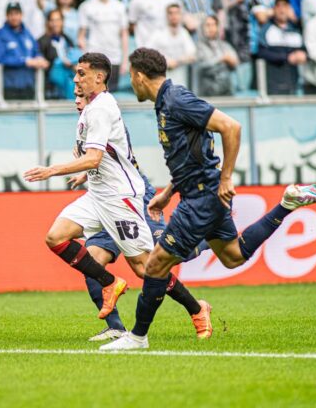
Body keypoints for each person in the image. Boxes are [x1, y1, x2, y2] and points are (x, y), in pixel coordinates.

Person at [99, 48, 316, 351]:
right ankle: (286, 204)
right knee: (233, 256)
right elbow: (190, 156)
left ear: (140, 76)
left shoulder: (177, 100)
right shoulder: (166, 102)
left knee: (155, 265)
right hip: (202, 194)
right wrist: (168, 193)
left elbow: (231, 127)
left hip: (202, 198)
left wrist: (226, 178)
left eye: (131, 76)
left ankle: (137, 337)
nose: (131, 82)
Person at [23, 52, 209, 334]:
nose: (75, 79)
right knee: (56, 237)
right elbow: (107, 155)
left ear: (99, 77)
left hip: (120, 198)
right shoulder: (91, 109)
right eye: (76, 74)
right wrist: (85, 174)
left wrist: (51, 170)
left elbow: (94, 158)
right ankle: (110, 284)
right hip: (98, 195)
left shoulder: (100, 109)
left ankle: (196, 309)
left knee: (145, 268)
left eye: (81, 73)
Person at [68, 88, 212, 342]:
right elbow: (100, 162)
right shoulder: (85, 126)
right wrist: (85, 174)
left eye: (82, 96)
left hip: (132, 197)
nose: (77, 101)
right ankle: (116, 327)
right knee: (92, 262)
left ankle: (203, 257)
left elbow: (113, 159)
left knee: (154, 263)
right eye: (75, 96)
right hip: (104, 200)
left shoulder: (104, 116)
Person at [78, 0, 128, 91]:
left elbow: (124, 35)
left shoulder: (119, 7)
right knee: (93, 93)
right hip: (94, 58)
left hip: (114, 58)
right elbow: (81, 37)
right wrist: (84, 60)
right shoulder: (86, 7)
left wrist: (125, 61)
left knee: (111, 93)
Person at [0, 1, 49, 100]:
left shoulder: (27, 34)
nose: (14, 17)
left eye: (17, 13)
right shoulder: (0, 35)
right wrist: (25, 61)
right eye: (11, 14)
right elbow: (0, 59)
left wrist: (40, 58)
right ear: (6, 16)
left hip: (28, 85)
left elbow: (35, 51)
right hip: (9, 86)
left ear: (21, 15)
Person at [256, 0, 307, 95]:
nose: (282, 10)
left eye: (285, 6)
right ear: (274, 9)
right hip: (273, 86)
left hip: (294, 86)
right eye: (278, 6)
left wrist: (303, 55)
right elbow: (261, 52)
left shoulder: (296, 30)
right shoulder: (267, 29)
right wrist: (286, 57)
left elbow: (304, 51)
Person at [148, 3, 197, 85]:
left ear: (180, 15)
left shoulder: (184, 33)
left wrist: (177, 61)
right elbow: (148, 54)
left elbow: (192, 55)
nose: (174, 16)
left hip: (181, 80)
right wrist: (165, 62)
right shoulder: (158, 33)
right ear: (166, 16)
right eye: (171, 13)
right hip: (162, 80)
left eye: (176, 13)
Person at [37, 9, 79, 99]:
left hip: (68, 86)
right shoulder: (42, 41)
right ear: (48, 23)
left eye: (58, 20)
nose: (55, 24)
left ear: (62, 22)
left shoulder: (67, 39)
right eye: (52, 20)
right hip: (50, 89)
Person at [196, 14, 238, 96]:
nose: (211, 28)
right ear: (202, 28)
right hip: (207, 93)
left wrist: (230, 61)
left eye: (214, 25)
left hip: (226, 91)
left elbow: (235, 62)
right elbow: (203, 66)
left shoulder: (225, 45)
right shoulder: (198, 46)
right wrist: (222, 59)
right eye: (208, 25)